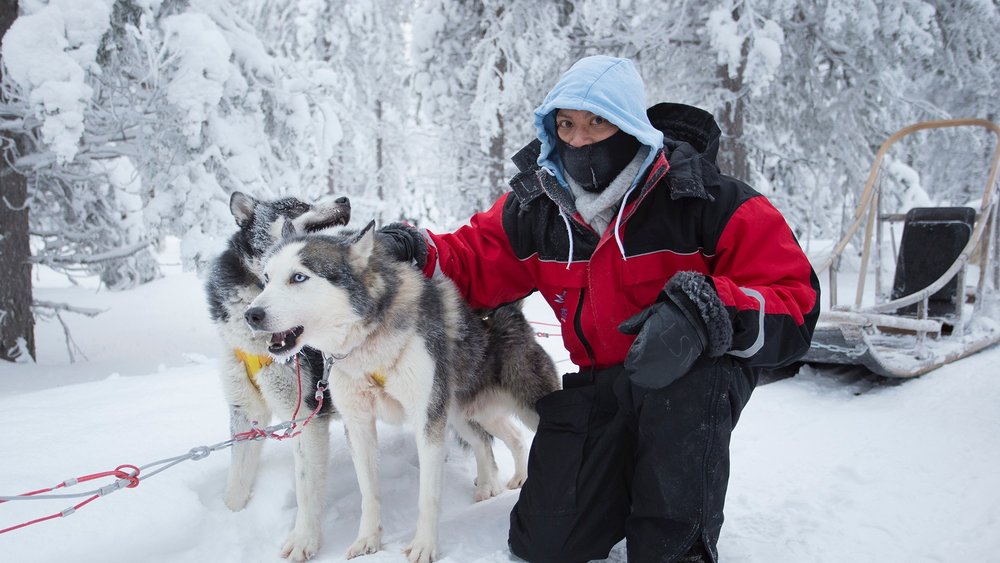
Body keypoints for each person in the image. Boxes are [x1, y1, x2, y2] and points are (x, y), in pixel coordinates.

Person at [377, 55, 820, 563]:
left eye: (597, 122)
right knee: (544, 542)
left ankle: (677, 538)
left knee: (676, 449)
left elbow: (795, 300)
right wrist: (415, 249)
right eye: (565, 124)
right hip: (604, 380)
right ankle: (624, 482)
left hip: (690, 380)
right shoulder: (539, 207)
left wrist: (711, 310)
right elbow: (473, 258)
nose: (579, 139)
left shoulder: (707, 199)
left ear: (631, 126)